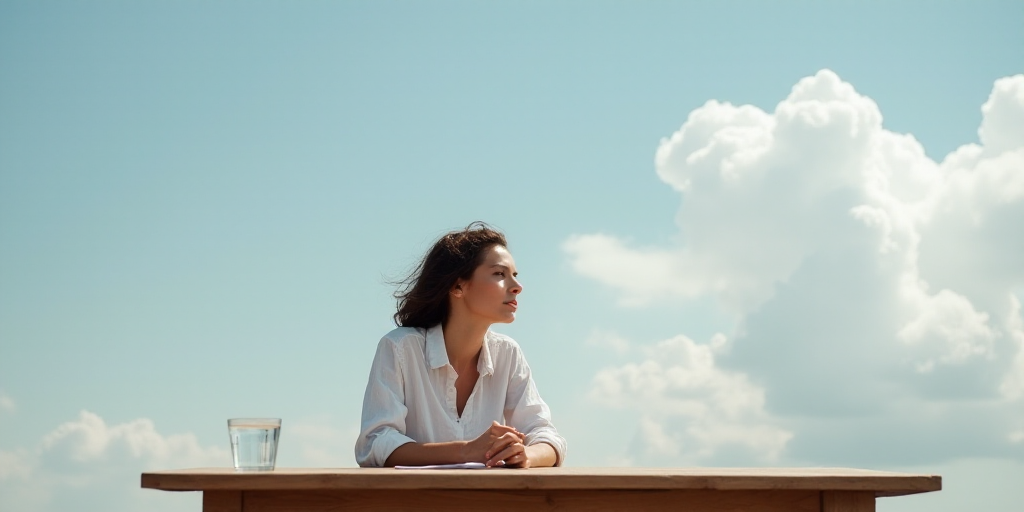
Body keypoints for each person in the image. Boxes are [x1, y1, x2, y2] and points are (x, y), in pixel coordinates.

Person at [355, 222, 566, 468]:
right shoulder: (400, 348)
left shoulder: (508, 354)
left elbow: (546, 435)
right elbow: (375, 444)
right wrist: (467, 451)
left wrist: (525, 455)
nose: (517, 287)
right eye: (499, 274)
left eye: (514, 275)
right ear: (457, 286)